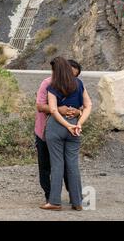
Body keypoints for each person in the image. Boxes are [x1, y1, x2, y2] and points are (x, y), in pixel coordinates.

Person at [40, 57, 92, 211]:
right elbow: (88, 105)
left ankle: (54, 202)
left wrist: (66, 124)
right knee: (73, 164)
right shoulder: (79, 83)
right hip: (75, 127)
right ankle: (77, 202)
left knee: (57, 164)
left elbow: (54, 110)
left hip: (57, 127)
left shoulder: (53, 85)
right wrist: (78, 123)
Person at [35, 60, 83, 202]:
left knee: (68, 165)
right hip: (44, 130)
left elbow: (82, 106)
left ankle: (73, 196)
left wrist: (77, 112)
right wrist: (58, 110)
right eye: (71, 74)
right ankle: (50, 197)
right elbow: (39, 106)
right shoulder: (48, 83)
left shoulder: (76, 84)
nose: (72, 79)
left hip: (67, 131)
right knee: (46, 166)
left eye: (75, 76)